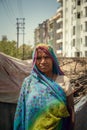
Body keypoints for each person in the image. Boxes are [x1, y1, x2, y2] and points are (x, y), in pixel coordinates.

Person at [14, 43, 75, 130]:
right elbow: (21, 112)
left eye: (46, 57)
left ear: (53, 59)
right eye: (39, 58)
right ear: (34, 60)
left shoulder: (64, 81)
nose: (43, 61)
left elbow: (71, 110)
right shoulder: (28, 82)